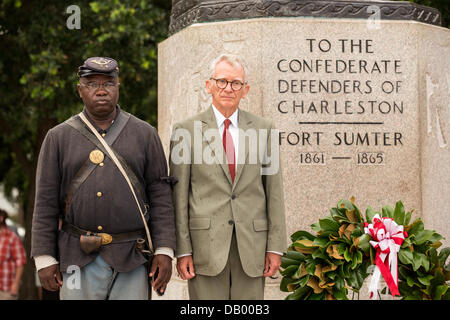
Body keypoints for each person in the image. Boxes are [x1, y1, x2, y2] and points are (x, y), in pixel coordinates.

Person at [31, 57, 176, 300]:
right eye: (91, 84)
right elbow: (45, 202)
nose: (100, 90)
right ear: (80, 90)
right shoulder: (57, 137)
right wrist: (44, 257)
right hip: (77, 258)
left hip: (132, 255)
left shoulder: (145, 134)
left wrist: (164, 250)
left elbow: (161, 197)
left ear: (118, 87)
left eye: (108, 83)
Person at [169, 54, 287, 299]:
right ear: (208, 85)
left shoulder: (265, 129)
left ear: (245, 90)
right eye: (221, 81)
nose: (228, 88)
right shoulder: (185, 131)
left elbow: (274, 192)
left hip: (252, 247)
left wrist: (275, 246)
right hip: (204, 248)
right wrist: (182, 250)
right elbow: (178, 197)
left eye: (236, 83)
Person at [0, 209, 26, 300]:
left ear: (1, 218)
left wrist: (15, 284)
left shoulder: (12, 237)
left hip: (6, 289)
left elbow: (20, 262)